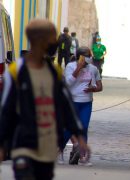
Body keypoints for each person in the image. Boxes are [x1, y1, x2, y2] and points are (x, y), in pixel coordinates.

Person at [0, 19, 89, 180]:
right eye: (51, 37)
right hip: (23, 144)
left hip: (47, 145)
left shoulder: (54, 72)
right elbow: (6, 109)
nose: (54, 42)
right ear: (38, 40)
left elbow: (66, 104)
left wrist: (79, 135)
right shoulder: (16, 71)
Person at [61, 46, 102, 166]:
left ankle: (83, 156)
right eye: (88, 56)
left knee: (84, 127)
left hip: (86, 102)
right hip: (72, 101)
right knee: (69, 129)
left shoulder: (93, 69)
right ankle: (60, 150)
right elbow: (67, 83)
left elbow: (99, 86)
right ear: (81, 57)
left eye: (90, 56)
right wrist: (77, 69)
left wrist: (92, 89)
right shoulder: (70, 66)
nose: (90, 58)